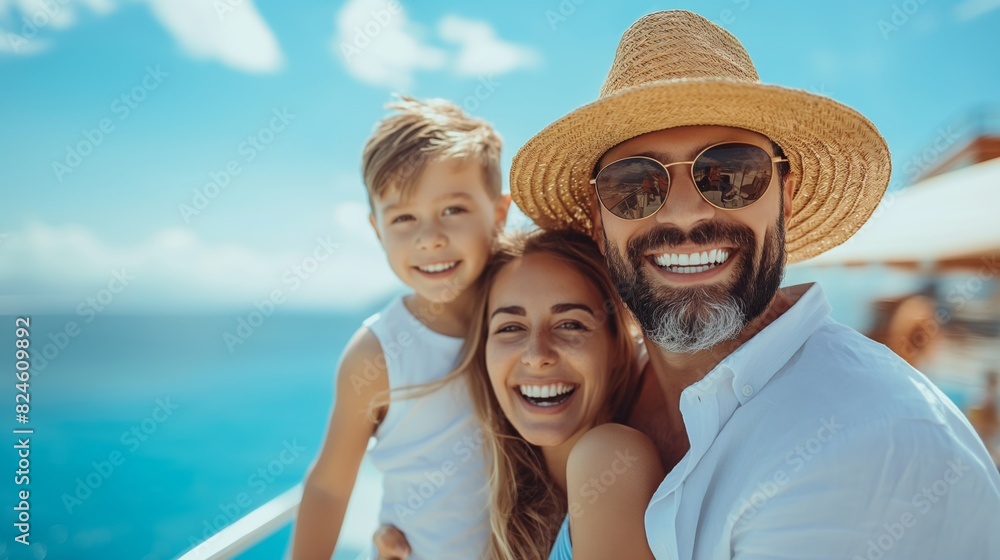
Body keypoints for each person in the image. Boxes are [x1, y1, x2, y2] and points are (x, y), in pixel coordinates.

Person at [508, 10, 1000, 559]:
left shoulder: (872, 444)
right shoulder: (608, 387)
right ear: (601, 223)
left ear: (784, 199)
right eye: (635, 185)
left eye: (732, 172)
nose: (686, 214)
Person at [290, 95, 510, 560]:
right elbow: (330, 487)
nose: (429, 237)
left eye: (453, 209)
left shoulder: (529, 314)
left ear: (500, 213)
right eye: (403, 218)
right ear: (376, 230)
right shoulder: (377, 354)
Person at [374, 229, 663, 560]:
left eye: (570, 324)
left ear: (616, 347)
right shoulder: (506, 511)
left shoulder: (611, 456)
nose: (537, 354)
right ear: (485, 352)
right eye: (510, 328)